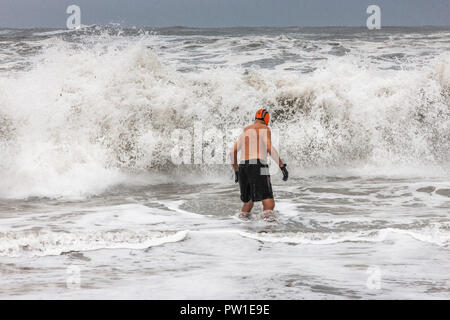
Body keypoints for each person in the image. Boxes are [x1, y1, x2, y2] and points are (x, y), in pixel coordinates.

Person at [230, 108, 288, 220]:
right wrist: (281, 165)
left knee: (248, 202)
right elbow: (269, 148)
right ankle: (267, 231)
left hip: (242, 166)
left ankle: (243, 229)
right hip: (258, 164)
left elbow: (232, 152)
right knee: (269, 203)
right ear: (266, 119)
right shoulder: (264, 128)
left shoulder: (245, 131)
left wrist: (236, 170)